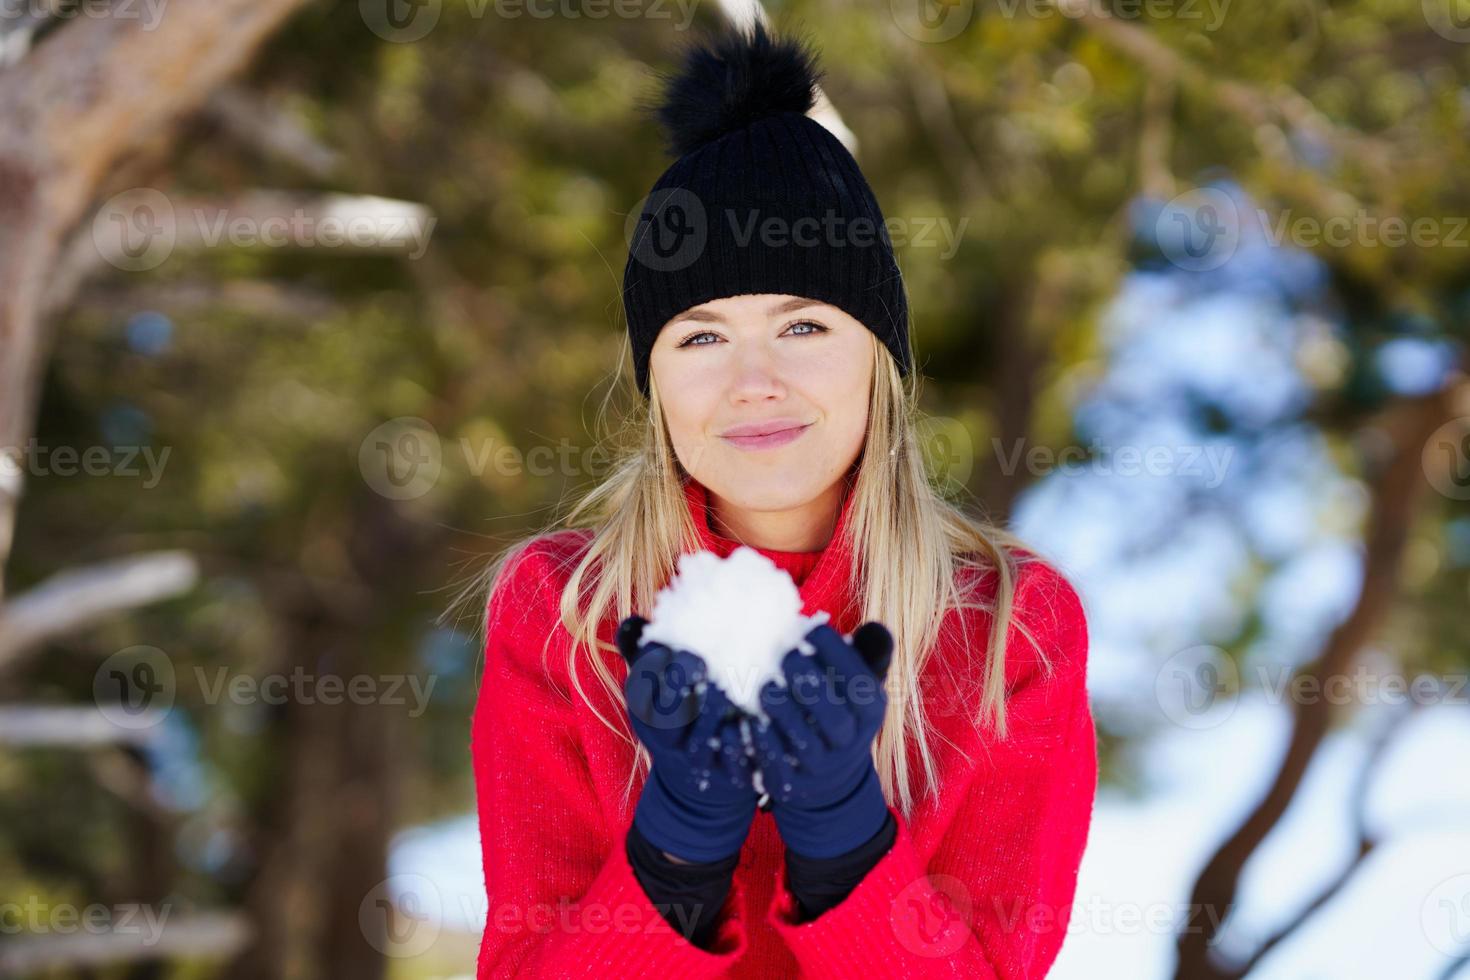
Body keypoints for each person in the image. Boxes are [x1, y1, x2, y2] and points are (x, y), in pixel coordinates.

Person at [468, 21, 1096, 978]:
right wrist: (672, 856)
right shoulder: (563, 612)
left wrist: (849, 847)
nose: (752, 381)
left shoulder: (1011, 624)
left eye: (802, 324)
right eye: (701, 337)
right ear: (656, 382)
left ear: (879, 358)